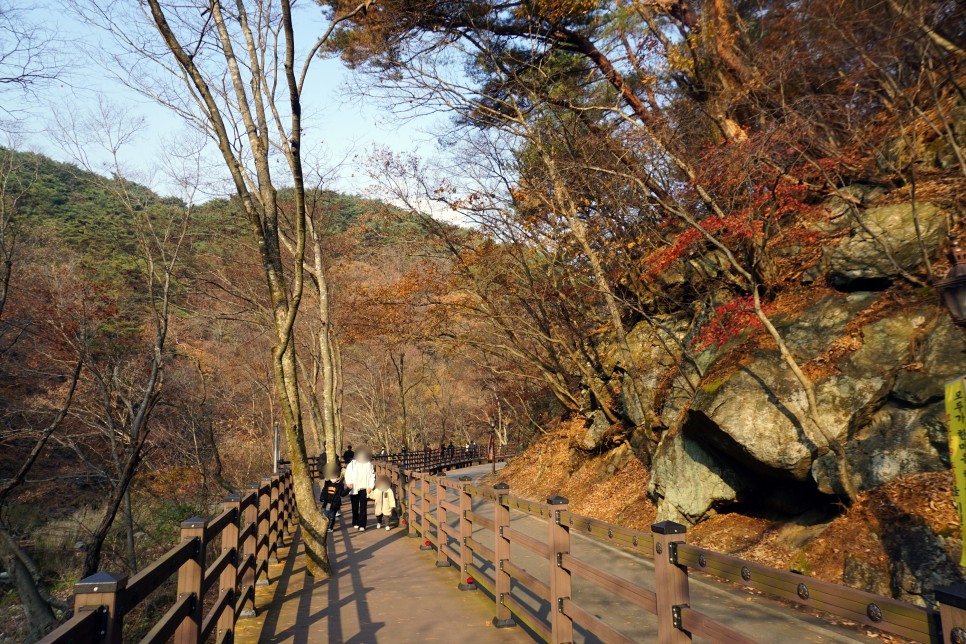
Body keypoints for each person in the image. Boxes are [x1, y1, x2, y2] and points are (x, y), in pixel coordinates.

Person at [344, 449, 375, 531]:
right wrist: (349, 482)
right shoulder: (352, 465)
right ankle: (355, 521)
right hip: (354, 488)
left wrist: (370, 486)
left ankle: (362, 524)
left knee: (363, 507)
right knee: (355, 507)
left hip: (364, 488)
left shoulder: (368, 464)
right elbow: (347, 474)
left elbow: (372, 475)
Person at [318, 464, 347, 533]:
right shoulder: (327, 483)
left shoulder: (340, 484)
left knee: (332, 515)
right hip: (328, 502)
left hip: (334, 503)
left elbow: (342, 494)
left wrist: (348, 489)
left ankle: (330, 527)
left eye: (335, 475)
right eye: (333, 475)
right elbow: (324, 491)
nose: (334, 476)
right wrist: (322, 498)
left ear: (338, 476)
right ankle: (326, 526)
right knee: (326, 514)